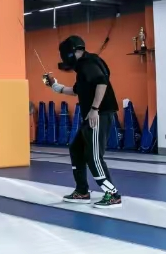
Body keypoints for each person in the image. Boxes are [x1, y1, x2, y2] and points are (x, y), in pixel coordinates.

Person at [46, 35, 122, 208]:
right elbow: (76, 90)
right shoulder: (85, 66)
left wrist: (95, 109)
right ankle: (82, 191)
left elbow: (102, 82)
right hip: (93, 115)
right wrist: (55, 86)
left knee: (93, 156)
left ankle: (113, 195)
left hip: (98, 115)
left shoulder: (87, 63)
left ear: (70, 53)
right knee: (77, 148)